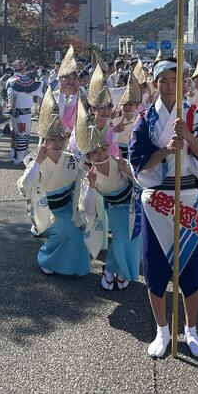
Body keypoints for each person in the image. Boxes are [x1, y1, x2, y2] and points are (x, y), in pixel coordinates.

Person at [129, 58, 198, 358]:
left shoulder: (194, 115)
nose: (169, 86)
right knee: (155, 269)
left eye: (174, 79)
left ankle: (191, 329)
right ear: (155, 84)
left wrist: (189, 137)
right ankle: (162, 330)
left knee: (190, 268)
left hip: (188, 197)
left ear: (183, 83)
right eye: (163, 80)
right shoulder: (145, 119)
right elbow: (137, 160)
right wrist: (166, 150)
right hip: (156, 201)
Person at [17, 89, 89, 276]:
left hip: (67, 208)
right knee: (62, 232)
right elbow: (24, 188)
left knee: (78, 230)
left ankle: (71, 264)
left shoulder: (71, 159)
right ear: (44, 141)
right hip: (44, 210)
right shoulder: (37, 162)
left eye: (60, 139)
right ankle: (46, 259)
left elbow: (84, 177)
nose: (57, 144)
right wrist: (38, 162)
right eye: (51, 140)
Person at [76, 101, 142, 291]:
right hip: (113, 209)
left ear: (109, 147)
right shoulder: (89, 174)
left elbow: (140, 183)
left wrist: (128, 171)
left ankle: (114, 269)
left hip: (132, 205)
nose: (100, 154)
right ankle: (113, 269)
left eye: (103, 149)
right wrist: (90, 186)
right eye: (94, 153)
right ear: (88, 156)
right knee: (122, 238)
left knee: (133, 239)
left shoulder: (119, 161)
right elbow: (88, 208)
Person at [7, 61, 43, 164]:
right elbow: (39, 90)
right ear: (23, 68)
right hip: (23, 113)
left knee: (15, 134)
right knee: (23, 135)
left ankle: (14, 154)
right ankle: (19, 158)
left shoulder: (9, 80)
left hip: (13, 112)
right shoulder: (26, 81)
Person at [112, 72, 142, 159]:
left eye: (130, 104)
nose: (127, 107)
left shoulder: (139, 121)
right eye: (125, 104)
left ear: (136, 106)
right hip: (114, 153)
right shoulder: (113, 119)